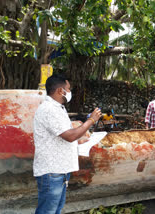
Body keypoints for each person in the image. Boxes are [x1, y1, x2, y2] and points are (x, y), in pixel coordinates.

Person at [33, 74, 102, 214]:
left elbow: (65, 134)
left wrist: (81, 141)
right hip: (52, 172)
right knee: (48, 211)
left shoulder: (58, 108)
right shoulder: (49, 109)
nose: (70, 92)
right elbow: (70, 136)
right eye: (68, 89)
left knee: (56, 209)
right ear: (60, 91)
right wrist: (91, 120)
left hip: (60, 170)